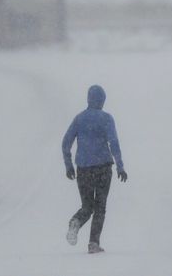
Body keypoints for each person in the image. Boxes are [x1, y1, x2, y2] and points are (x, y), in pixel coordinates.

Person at [62, 84, 128, 254]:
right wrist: (120, 166)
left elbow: (66, 143)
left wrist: (68, 165)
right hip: (103, 169)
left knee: (87, 206)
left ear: (88, 99)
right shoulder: (106, 118)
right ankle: (93, 243)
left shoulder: (79, 119)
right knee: (100, 207)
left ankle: (76, 221)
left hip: (83, 169)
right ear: (102, 100)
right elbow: (114, 143)